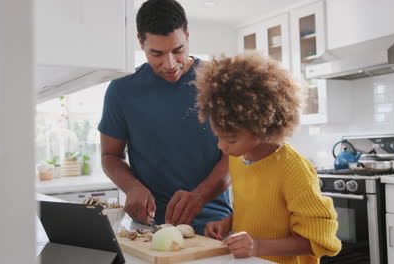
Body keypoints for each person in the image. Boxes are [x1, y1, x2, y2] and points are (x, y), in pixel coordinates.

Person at [98, 0, 232, 235]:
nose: (170, 64)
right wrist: (132, 187)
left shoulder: (220, 82)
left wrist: (200, 196)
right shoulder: (121, 90)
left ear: (188, 37)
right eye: (157, 53)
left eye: (178, 50)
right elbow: (110, 155)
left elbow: (236, 157)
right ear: (141, 42)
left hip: (214, 227)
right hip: (149, 229)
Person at [196, 52, 341, 263]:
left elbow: (321, 240)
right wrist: (228, 222)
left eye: (230, 139)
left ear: (261, 127)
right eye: (217, 136)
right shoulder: (239, 159)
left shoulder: (293, 169)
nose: (221, 146)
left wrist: (257, 245)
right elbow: (259, 210)